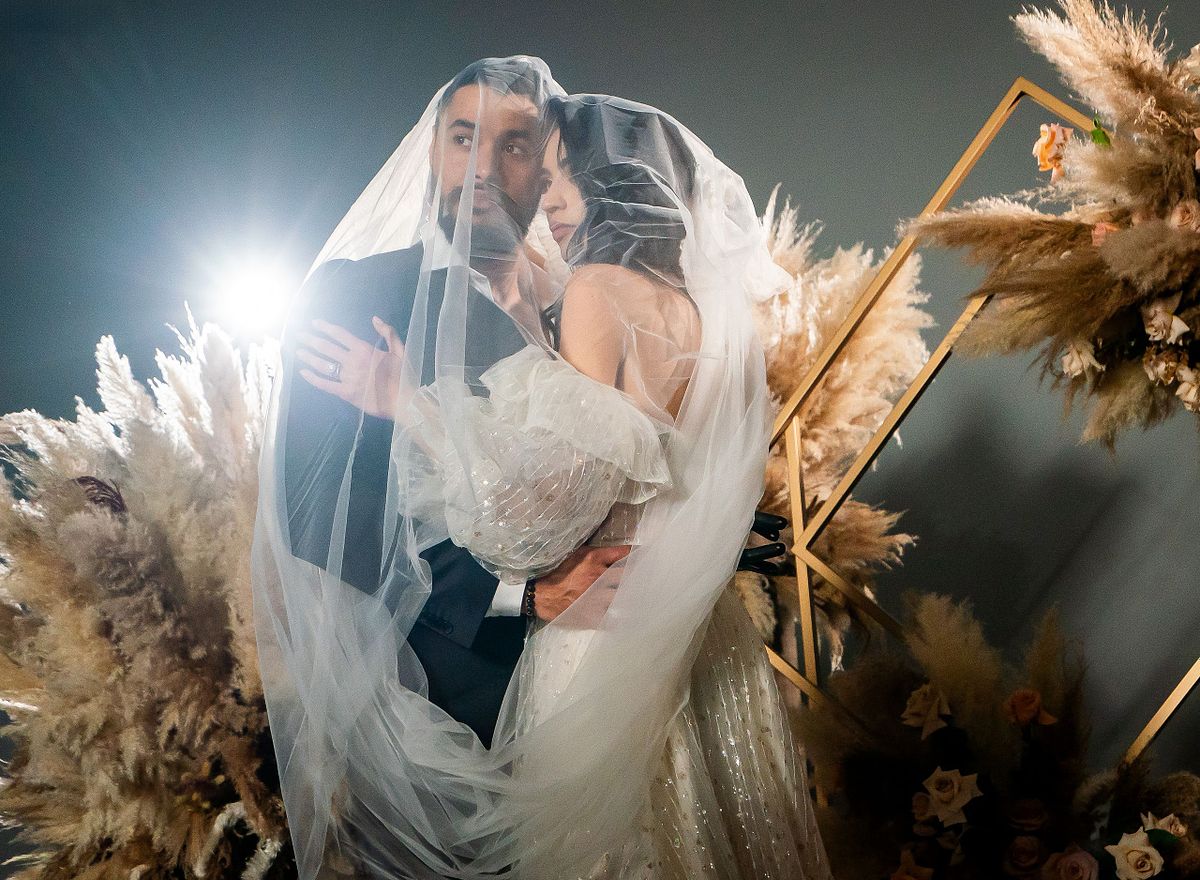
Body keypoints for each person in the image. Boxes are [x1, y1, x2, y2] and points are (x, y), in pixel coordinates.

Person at [252, 59, 830, 879]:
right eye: (464, 139)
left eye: (518, 148)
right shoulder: (358, 294)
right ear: (431, 151)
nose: (484, 168)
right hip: (451, 714)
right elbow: (317, 520)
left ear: (559, 164)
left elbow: (621, 475)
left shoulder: (585, 291)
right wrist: (522, 594)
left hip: (617, 680)